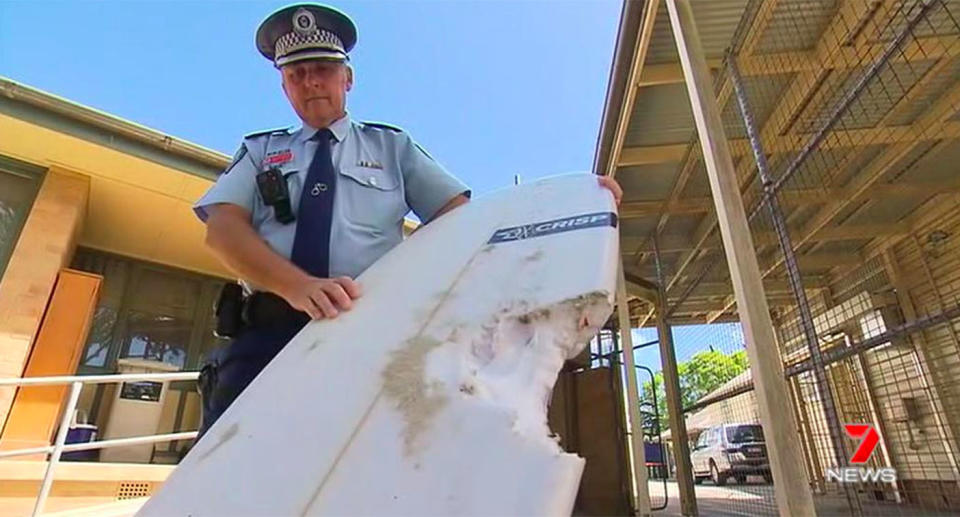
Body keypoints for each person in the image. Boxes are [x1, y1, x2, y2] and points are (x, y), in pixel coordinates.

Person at [192, 2, 623, 437]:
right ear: (284, 86)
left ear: (348, 78)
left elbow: (464, 223)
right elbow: (222, 229)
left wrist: (568, 204)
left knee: (371, 466)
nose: (310, 82)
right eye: (296, 74)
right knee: (231, 466)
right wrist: (298, 287)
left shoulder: (391, 148)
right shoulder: (260, 151)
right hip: (270, 332)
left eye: (322, 68)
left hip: (373, 332)